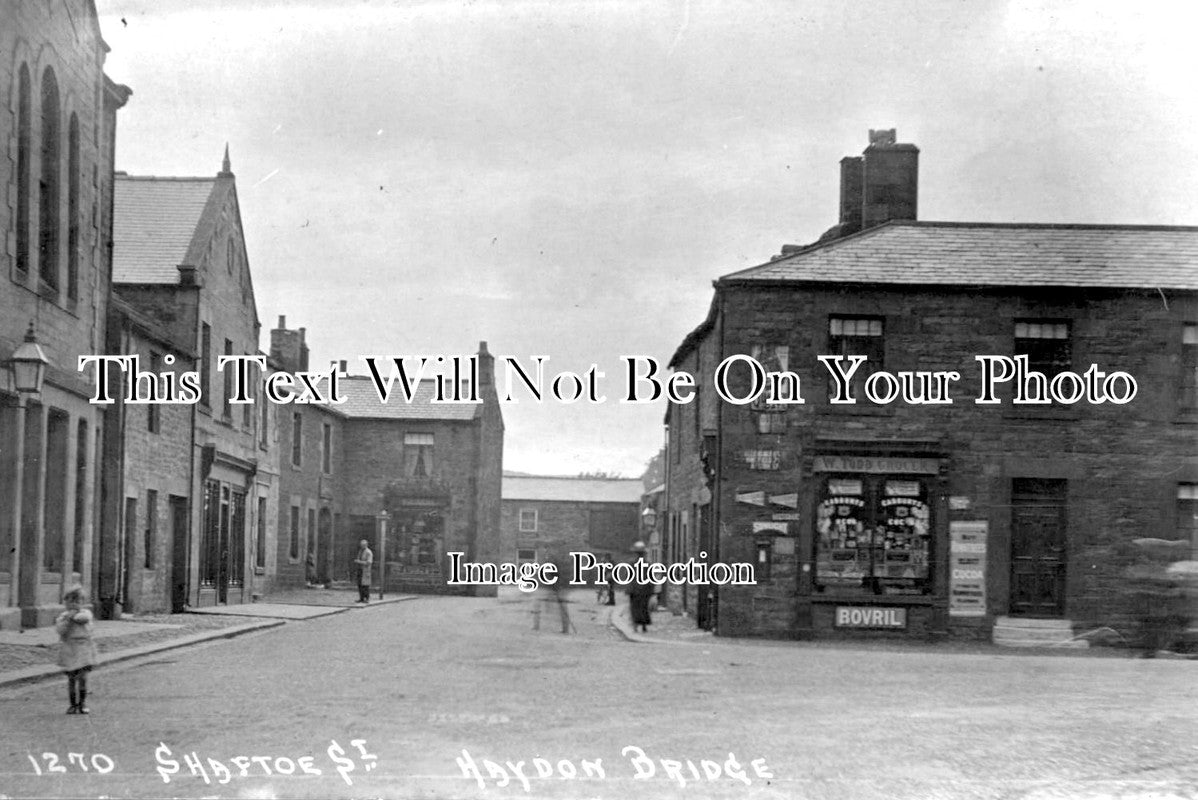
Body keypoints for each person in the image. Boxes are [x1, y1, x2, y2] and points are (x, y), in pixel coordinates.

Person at [55, 585, 99, 715]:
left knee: (83, 678)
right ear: (65, 602)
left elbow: (83, 620)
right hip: (69, 649)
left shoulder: (85, 613)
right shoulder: (63, 617)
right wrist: (67, 619)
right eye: (70, 601)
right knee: (71, 679)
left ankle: (83, 703)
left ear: (82, 602)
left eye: (78, 601)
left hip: (84, 648)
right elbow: (60, 630)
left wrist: (73, 616)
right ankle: (72, 704)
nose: (73, 604)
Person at [626, 541, 655, 633]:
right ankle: (643, 625)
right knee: (644, 607)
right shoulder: (648, 564)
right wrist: (652, 589)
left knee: (635, 607)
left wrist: (629, 588)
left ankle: (635, 625)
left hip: (635, 589)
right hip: (645, 589)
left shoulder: (632, 563)